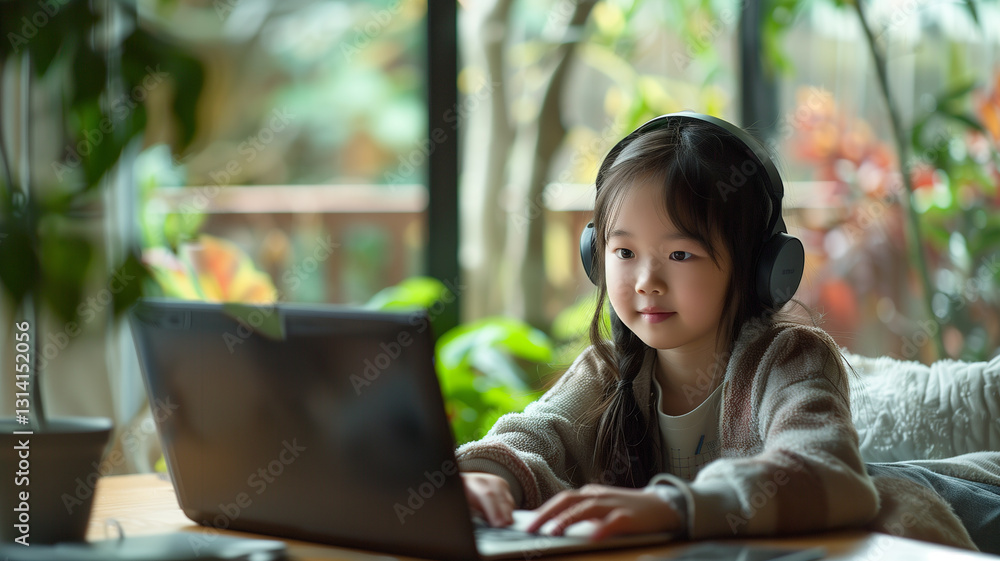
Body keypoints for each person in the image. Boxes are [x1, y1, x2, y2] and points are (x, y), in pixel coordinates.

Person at [456, 112, 1000, 552]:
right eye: (623, 252)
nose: (647, 281)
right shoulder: (611, 368)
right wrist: (486, 476)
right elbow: (536, 434)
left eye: (680, 253)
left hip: (970, 506)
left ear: (763, 268)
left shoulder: (790, 358)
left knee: (895, 498)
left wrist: (677, 507)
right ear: (596, 257)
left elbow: (822, 472)